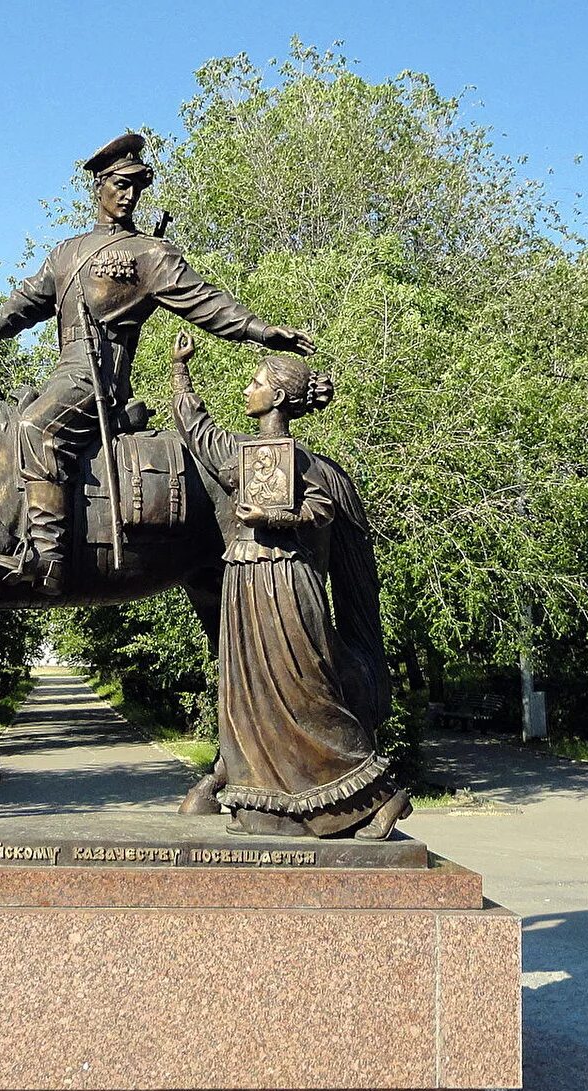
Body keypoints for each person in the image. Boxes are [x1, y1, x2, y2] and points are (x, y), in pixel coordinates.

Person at [0, 132, 313, 595]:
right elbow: (32, 296)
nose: (129, 194)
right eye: (120, 184)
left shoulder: (150, 255)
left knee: (35, 427)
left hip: (99, 377)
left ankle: (46, 558)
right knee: (10, 423)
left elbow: (206, 302)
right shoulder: (66, 252)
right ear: (99, 187)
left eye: (137, 186)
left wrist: (258, 330)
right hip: (65, 371)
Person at [170, 332, 411, 839]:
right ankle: (273, 804)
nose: (247, 391)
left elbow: (321, 510)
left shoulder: (299, 461)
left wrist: (275, 515)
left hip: (285, 583)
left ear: (277, 397)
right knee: (248, 695)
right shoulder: (242, 453)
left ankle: (382, 794)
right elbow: (196, 429)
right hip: (244, 582)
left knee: (306, 692)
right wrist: (180, 369)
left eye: (256, 383)